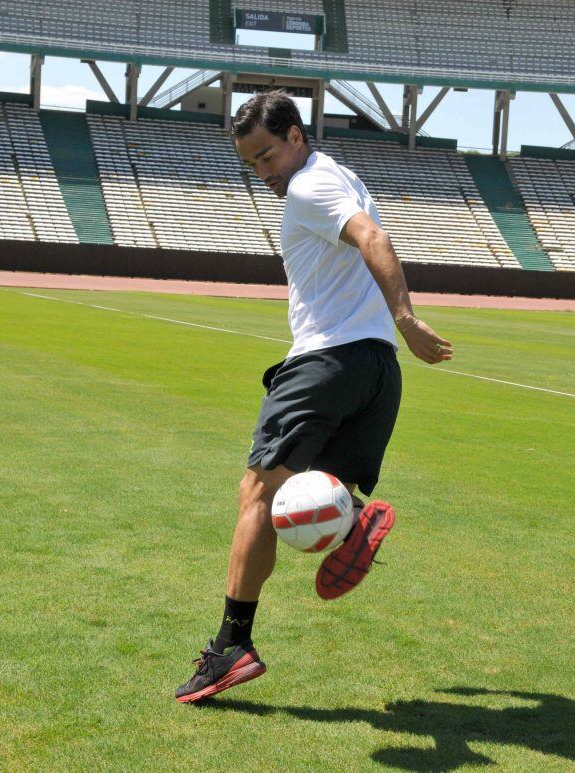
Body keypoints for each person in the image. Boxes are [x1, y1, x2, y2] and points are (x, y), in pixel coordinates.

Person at [176, 89, 453, 703]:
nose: (264, 174)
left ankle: (232, 646)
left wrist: (407, 318)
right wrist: (395, 333)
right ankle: (353, 516)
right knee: (305, 492)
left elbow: (373, 239)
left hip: (327, 363)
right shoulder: (340, 174)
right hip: (376, 373)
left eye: (268, 156)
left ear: (296, 137)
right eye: (252, 164)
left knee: (258, 493)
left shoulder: (309, 187)